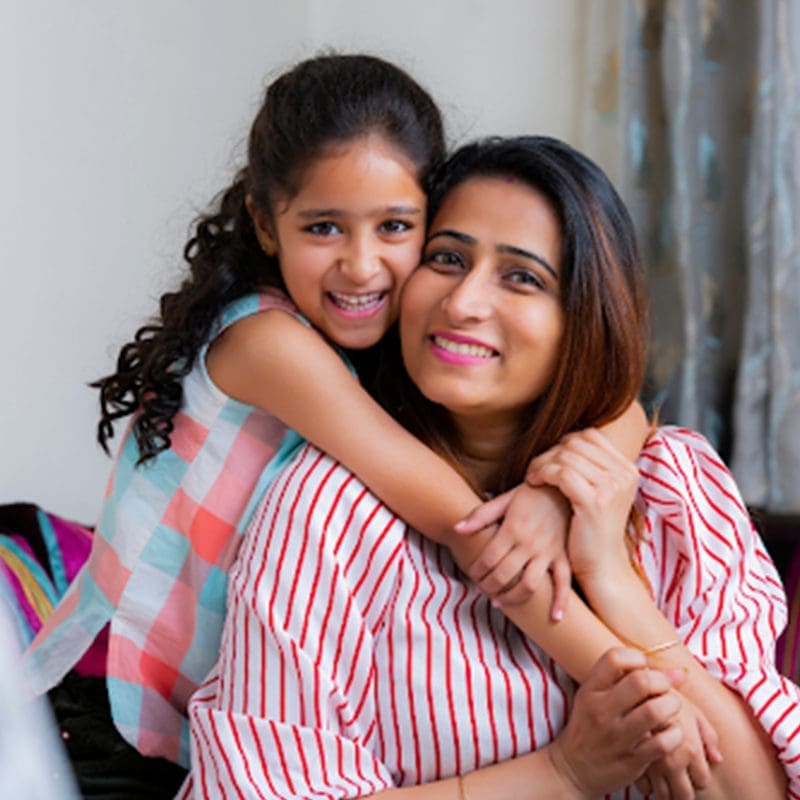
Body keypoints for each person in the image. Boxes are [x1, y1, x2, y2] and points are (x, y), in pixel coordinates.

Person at [23, 55, 646, 775]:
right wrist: (630, 685)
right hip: (113, 721)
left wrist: (553, 496)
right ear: (264, 222)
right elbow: (465, 526)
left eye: (394, 226)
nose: (361, 265)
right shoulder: (267, 342)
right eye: (323, 227)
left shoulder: (390, 343)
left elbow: (623, 407)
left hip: (215, 725)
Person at [182, 137, 798, 799]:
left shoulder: (674, 482)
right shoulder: (325, 514)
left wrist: (611, 577)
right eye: (446, 259)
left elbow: (755, 795)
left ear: (585, 318)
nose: (464, 302)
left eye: (522, 277)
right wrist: (562, 774)